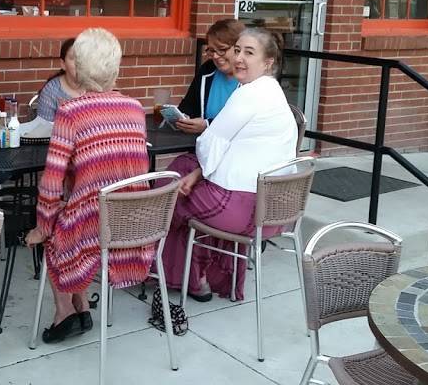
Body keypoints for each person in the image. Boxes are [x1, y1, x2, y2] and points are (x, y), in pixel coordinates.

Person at [24, 28, 152, 343]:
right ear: (116, 70)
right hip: (134, 221)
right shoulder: (135, 108)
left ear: (78, 70)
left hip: (96, 223)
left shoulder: (71, 112)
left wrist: (42, 226)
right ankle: (81, 306)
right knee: (72, 212)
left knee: (54, 228)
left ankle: (65, 311)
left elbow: (51, 182)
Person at [161, 27, 297, 302]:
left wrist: (198, 170)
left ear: (268, 62)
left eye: (249, 52)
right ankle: (215, 276)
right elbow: (225, 149)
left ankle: (184, 275)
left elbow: (209, 144)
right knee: (186, 171)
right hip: (274, 210)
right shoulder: (273, 92)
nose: (239, 58)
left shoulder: (248, 94)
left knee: (169, 186)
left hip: (241, 211)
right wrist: (199, 172)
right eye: (237, 50)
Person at [176, 18, 245, 134]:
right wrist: (183, 118)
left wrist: (207, 125)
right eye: (212, 50)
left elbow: (245, 122)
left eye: (222, 49)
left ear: (239, 49)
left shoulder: (252, 80)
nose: (216, 56)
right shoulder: (208, 69)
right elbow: (188, 106)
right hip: (203, 142)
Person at [35, 38, 82, 122]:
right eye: (73, 58)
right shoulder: (51, 91)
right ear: (63, 64)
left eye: (82, 57)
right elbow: (44, 127)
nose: (79, 63)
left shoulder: (96, 88)